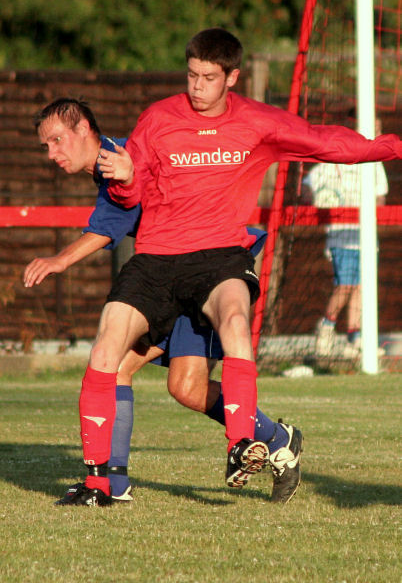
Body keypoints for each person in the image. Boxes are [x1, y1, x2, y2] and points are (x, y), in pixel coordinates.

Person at [44, 28, 401, 507]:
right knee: (144, 370)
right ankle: (109, 483)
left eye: (208, 77)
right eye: (191, 75)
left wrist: (393, 145)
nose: (196, 86)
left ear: (232, 77)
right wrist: (128, 179)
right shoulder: (157, 120)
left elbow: (327, 143)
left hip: (215, 263)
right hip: (158, 266)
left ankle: (248, 443)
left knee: (191, 373)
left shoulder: (256, 121)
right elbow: (134, 194)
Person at [27, 98, 294, 506]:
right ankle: (112, 483)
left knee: (183, 385)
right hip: (167, 276)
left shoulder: (122, 158)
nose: (52, 153)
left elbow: (109, 225)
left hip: (206, 268)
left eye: (57, 140)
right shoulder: (113, 164)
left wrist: (59, 259)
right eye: (45, 146)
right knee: (148, 376)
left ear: (83, 128)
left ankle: (276, 438)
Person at [302, 119, 388, 359]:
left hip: (366, 237)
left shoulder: (375, 162)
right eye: (375, 128)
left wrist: (369, 210)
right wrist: (316, 199)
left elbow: (380, 198)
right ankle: (326, 328)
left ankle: (355, 337)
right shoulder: (334, 160)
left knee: (362, 287)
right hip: (341, 237)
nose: (379, 133)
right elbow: (307, 185)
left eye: (380, 129)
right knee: (346, 284)